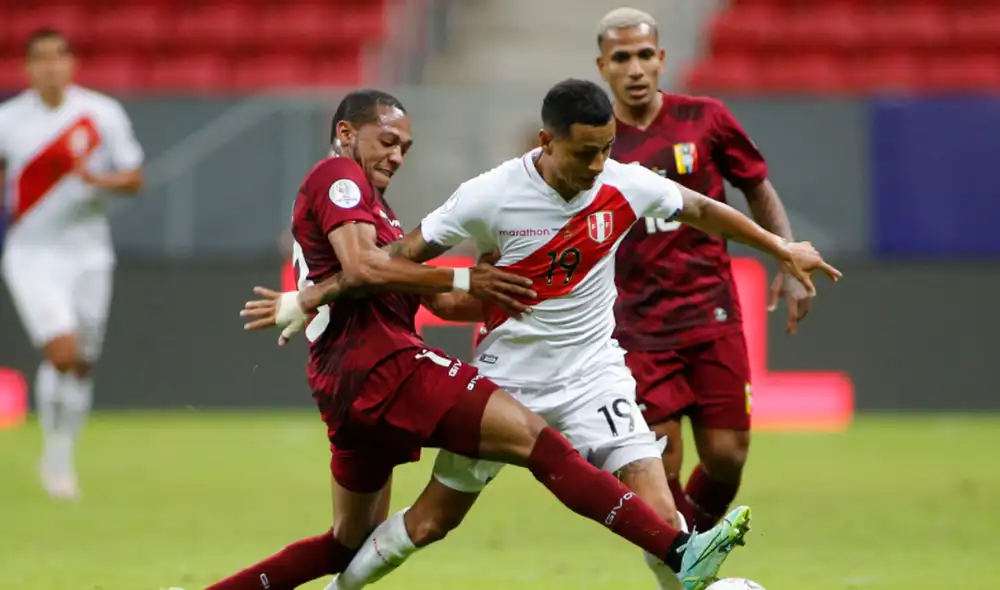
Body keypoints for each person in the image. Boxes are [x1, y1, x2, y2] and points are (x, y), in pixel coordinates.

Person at [242, 80, 840, 590]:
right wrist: (320, 293)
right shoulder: (488, 194)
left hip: (594, 373)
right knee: (430, 521)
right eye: (585, 153)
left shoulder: (625, 184)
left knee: (659, 511)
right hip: (509, 377)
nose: (597, 165)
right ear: (546, 142)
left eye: (606, 150)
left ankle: (692, 568)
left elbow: (702, 209)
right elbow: (396, 264)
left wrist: (780, 246)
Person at [596, 7, 810, 535]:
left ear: (662, 58)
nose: (635, 69)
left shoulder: (705, 118)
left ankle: (682, 547)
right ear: (602, 67)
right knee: (660, 464)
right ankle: (682, 559)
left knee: (728, 454)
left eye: (644, 55)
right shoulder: (594, 140)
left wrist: (786, 256)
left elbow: (755, 184)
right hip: (636, 328)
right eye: (621, 58)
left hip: (711, 314)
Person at [0, 27, 144, 500]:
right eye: (40, 58)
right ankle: (56, 459)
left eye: (58, 57)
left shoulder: (101, 114)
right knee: (61, 351)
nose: (51, 67)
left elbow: (134, 177)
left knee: (81, 362)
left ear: (71, 64)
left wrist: (98, 182)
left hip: (89, 253)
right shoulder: (8, 121)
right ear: (28, 67)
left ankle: (61, 452)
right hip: (30, 254)